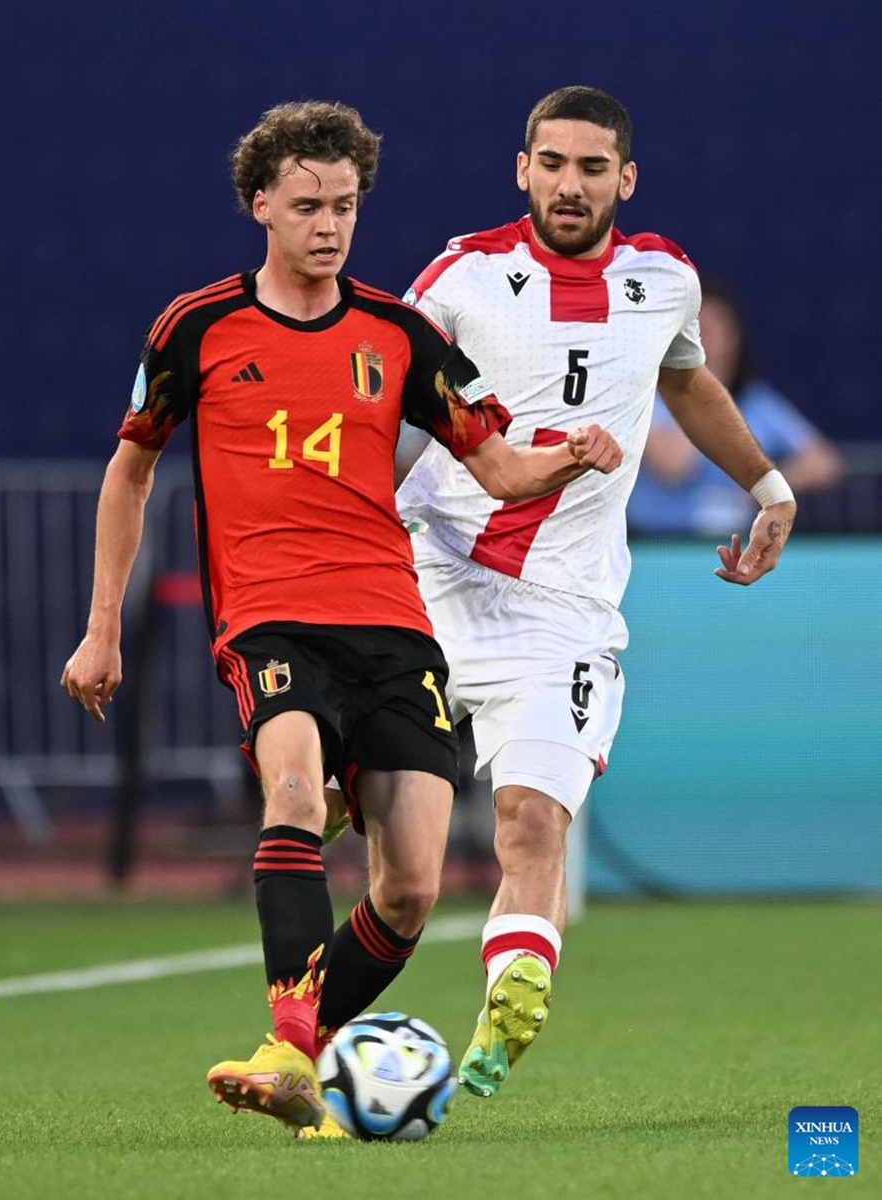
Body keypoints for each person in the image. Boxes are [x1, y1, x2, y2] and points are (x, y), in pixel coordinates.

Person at [60, 99, 623, 1138]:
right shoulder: (197, 327)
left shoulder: (400, 335)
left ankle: (293, 1056)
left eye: (348, 206)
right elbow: (130, 469)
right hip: (271, 617)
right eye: (310, 205)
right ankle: (286, 1037)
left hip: (393, 623)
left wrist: (566, 456)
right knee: (290, 785)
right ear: (261, 204)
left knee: (410, 886)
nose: (330, 225)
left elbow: (494, 467)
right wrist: (102, 629)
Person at [396, 85, 797, 1099]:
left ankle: (511, 999)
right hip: (434, 574)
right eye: (553, 163)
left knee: (532, 818)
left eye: (592, 167)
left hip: (562, 607)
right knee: (381, 831)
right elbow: (383, 407)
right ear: (521, 168)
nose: (570, 185)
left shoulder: (665, 280)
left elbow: (686, 380)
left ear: (626, 177)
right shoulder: (460, 277)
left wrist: (766, 484)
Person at [629, 277, 844, 533]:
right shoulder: (650, 395)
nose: (706, 339)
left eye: (714, 329)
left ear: (734, 338)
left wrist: (763, 490)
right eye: (698, 329)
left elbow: (824, 464)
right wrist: (704, 385)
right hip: (658, 545)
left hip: (736, 547)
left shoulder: (757, 401)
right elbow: (673, 466)